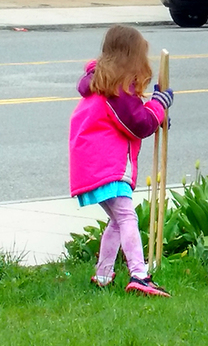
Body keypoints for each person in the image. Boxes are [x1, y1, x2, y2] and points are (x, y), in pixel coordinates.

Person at [69, 25, 174, 296]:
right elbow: (138, 123)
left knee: (117, 220)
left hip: (92, 166)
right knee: (127, 217)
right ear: (131, 60)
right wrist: (159, 105)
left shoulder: (101, 85)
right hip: (107, 167)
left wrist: (156, 114)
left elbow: (137, 117)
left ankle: (103, 274)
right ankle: (139, 274)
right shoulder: (117, 91)